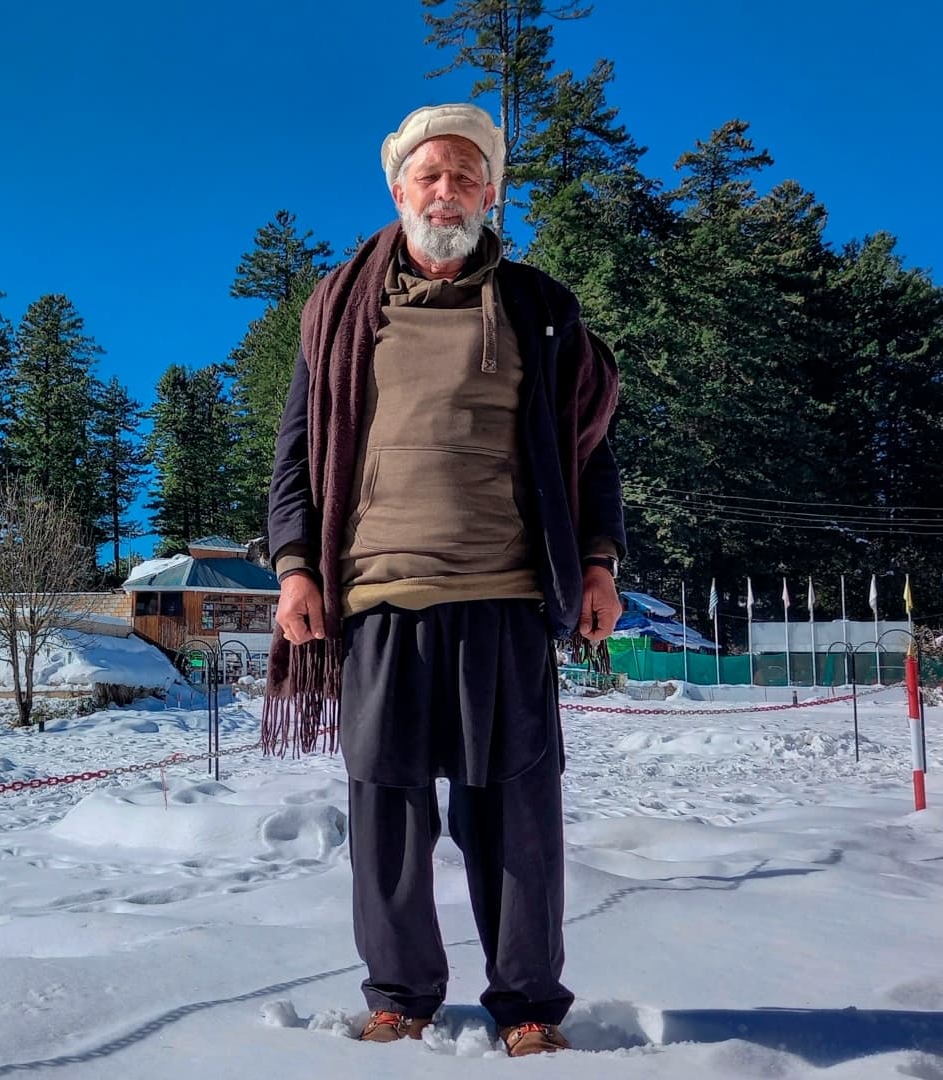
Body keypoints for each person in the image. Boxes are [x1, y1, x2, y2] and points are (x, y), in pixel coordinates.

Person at [263, 102, 626, 1058]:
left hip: (506, 598)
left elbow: (590, 455)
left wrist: (598, 561)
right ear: (398, 190)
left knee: (516, 812)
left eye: (466, 174)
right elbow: (295, 456)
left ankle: (529, 1007)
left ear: (493, 192)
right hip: (379, 600)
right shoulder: (340, 307)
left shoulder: (543, 311)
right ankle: (401, 995)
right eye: (429, 174)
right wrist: (296, 567)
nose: (446, 191)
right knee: (388, 813)